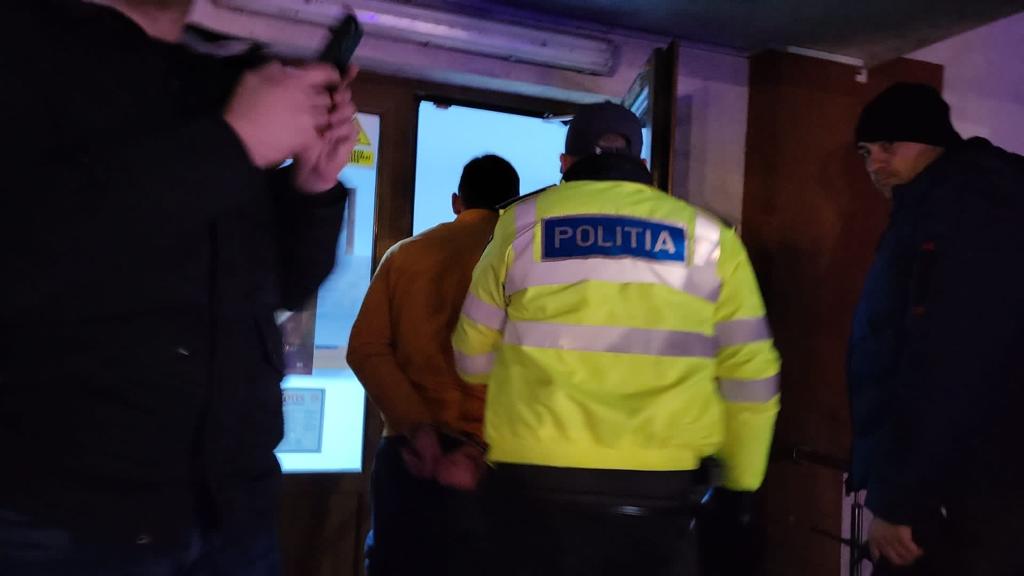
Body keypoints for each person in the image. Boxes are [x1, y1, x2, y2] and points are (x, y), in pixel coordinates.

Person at [0, 0, 359, 574]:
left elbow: (279, 289)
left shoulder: (221, 80)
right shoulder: (22, 48)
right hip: (59, 519)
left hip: (233, 510)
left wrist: (312, 186)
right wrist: (234, 143)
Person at [451, 102, 781, 576]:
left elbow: (470, 357)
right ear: (641, 163)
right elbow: (752, 374)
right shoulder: (710, 238)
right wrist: (741, 485)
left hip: (536, 481)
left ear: (565, 163)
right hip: (662, 489)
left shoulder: (522, 224)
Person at [848, 83, 1024, 575]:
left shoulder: (957, 211)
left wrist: (899, 498)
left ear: (932, 142)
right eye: (865, 151)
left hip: (959, 492)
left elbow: (948, 359)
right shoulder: (971, 200)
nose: (874, 164)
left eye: (889, 145)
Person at [348, 155, 521, 576]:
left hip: (410, 452)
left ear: (457, 202)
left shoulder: (405, 255)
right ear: (515, 205)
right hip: (490, 459)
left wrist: (417, 426)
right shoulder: (518, 262)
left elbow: (365, 349)